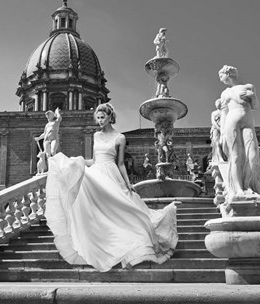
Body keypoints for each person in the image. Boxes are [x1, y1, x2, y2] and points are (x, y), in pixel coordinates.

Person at [45, 103, 178, 272]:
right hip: (97, 171)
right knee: (97, 207)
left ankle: (132, 243)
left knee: (124, 209)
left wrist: (128, 184)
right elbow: (94, 160)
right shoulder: (95, 136)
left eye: (102, 117)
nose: (100, 121)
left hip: (111, 173)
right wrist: (76, 161)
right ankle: (103, 244)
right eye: (98, 118)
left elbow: (121, 163)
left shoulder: (120, 138)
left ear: (110, 117)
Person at [218, 65, 260, 201]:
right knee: (235, 156)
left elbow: (255, 106)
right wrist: (221, 134)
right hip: (231, 123)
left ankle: (249, 186)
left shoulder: (249, 87)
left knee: (252, 155)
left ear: (228, 73)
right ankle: (237, 189)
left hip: (248, 123)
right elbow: (224, 112)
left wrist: (253, 96)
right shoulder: (225, 93)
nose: (221, 80)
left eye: (221, 76)